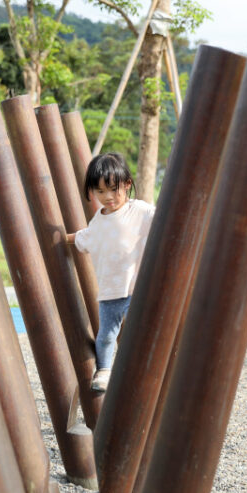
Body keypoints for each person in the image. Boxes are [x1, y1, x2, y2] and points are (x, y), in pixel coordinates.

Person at [65, 152, 155, 393]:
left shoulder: (140, 211)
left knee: (141, 332)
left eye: (113, 190)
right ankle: (104, 369)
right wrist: (63, 239)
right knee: (106, 335)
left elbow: (161, 218)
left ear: (127, 184)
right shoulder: (98, 220)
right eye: (100, 191)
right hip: (110, 292)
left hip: (138, 287)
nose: (107, 197)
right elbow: (85, 238)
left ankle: (145, 371)